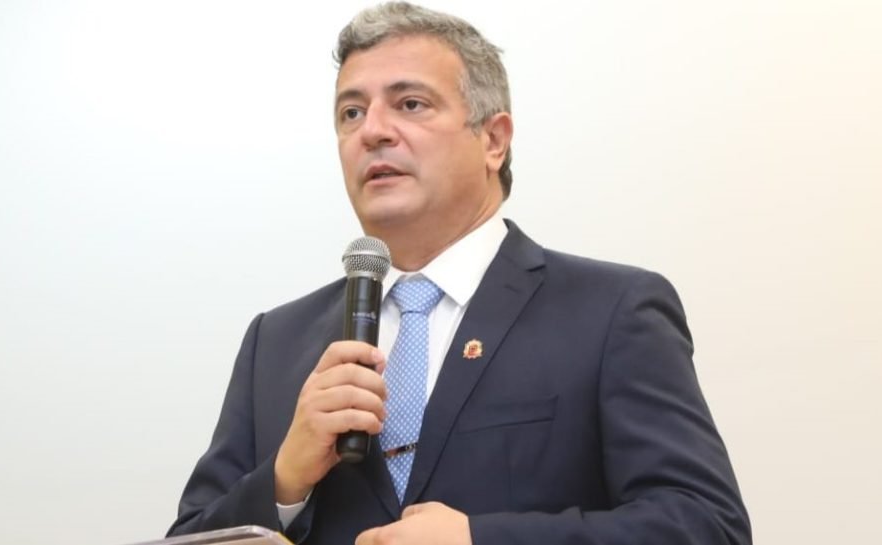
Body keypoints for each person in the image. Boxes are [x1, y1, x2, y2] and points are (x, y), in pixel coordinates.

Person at [167, 3, 751, 544]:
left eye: (410, 104)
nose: (372, 131)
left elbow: (707, 526)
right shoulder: (276, 342)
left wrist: (480, 539)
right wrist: (284, 480)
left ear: (493, 140)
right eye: (351, 112)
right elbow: (190, 536)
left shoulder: (610, 312)